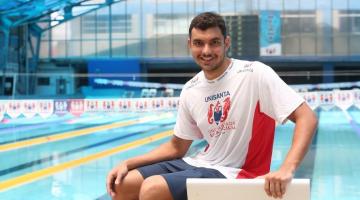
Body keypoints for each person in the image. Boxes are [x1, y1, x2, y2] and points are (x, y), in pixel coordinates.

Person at [106, 12, 318, 200]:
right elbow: (177, 147)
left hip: (237, 170)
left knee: (153, 189)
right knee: (122, 184)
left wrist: (287, 168)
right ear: (189, 44)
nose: (206, 50)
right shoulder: (191, 88)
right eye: (199, 43)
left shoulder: (254, 74)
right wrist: (129, 162)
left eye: (214, 42)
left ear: (226, 43)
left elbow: (306, 117)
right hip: (201, 162)